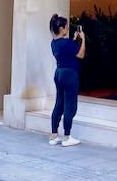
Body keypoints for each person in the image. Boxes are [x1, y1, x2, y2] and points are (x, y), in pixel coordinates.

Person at [48, 14, 86, 147]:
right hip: (70, 74)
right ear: (62, 28)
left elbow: (68, 50)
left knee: (59, 104)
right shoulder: (67, 43)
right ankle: (67, 137)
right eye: (66, 27)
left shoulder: (54, 44)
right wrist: (83, 40)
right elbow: (80, 54)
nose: (67, 29)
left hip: (58, 74)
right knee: (70, 105)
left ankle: (53, 136)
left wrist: (75, 40)